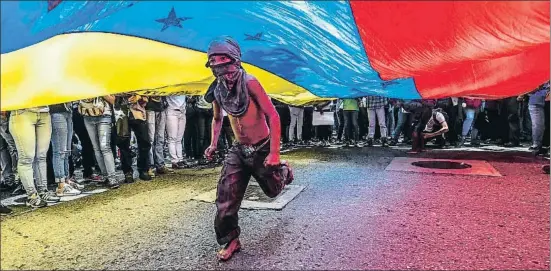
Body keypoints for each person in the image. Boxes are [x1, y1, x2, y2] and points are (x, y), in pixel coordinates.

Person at [203, 37, 294, 261]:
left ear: (236, 62)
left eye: (227, 66)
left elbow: (273, 115)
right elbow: (217, 119)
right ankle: (231, 239)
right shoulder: (217, 90)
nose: (225, 74)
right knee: (226, 197)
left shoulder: (251, 82)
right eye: (218, 68)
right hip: (239, 150)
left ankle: (284, 171)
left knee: (273, 191)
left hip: (262, 147)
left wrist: (274, 153)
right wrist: (213, 143)